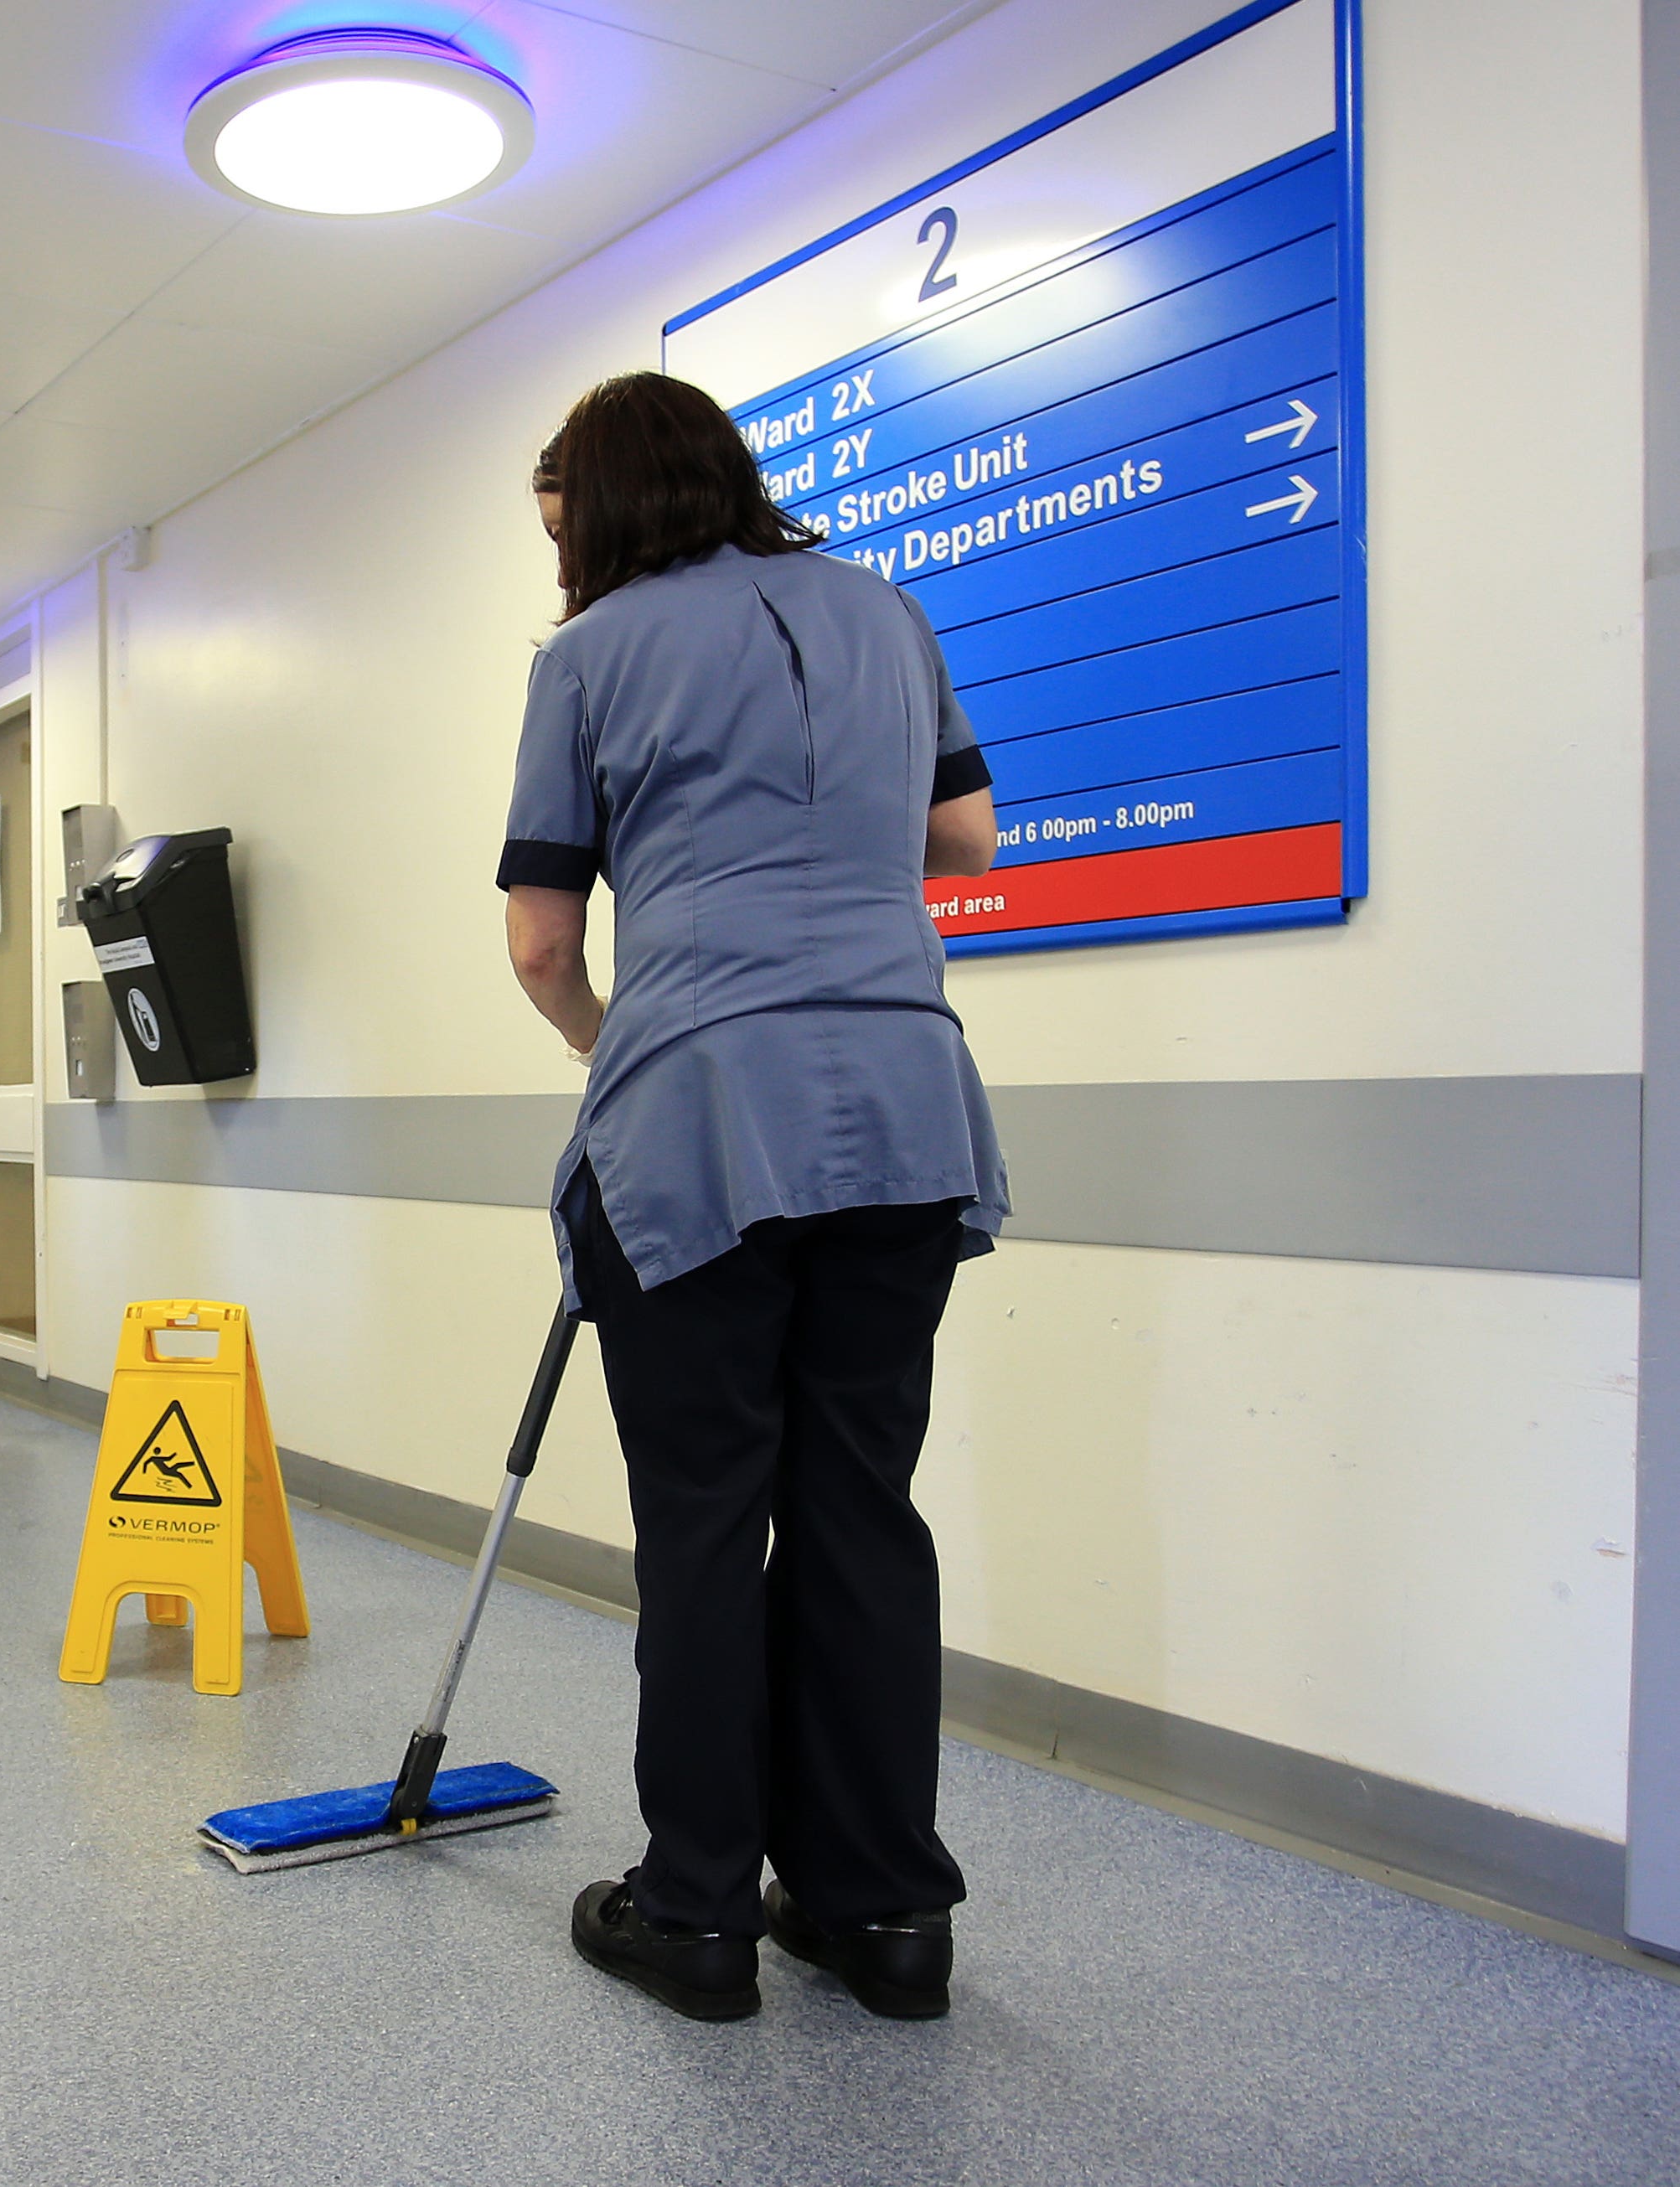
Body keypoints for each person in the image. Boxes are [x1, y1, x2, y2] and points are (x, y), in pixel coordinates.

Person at [499, 371, 1008, 2025]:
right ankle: (882, 1915)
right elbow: (965, 838)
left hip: (703, 1116)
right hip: (902, 1105)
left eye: (562, 525)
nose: (561, 562)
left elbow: (539, 945)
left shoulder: (583, 659)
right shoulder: (884, 611)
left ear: (610, 506)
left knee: (708, 1516)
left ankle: (699, 1910)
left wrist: (621, 1056)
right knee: (861, 1503)